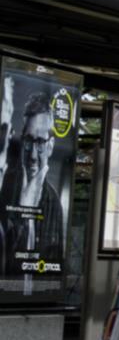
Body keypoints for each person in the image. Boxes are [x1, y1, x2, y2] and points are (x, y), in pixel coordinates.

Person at [0, 84, 67, 276]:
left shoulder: (54, 204)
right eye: (29, 141)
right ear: (21, 140)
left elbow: (55, 270)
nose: (33, 156)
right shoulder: (3, 187)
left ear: (51, 146)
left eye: (40, 142)